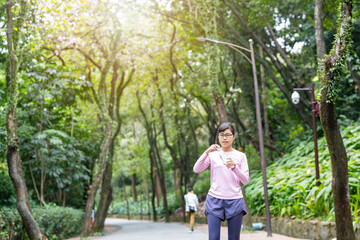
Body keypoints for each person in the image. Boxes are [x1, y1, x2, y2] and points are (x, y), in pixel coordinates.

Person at [193, 122, 249, 240]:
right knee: (213, 238)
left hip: (235, 200)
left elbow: (245, 180)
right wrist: (206, 152)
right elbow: (196, 169)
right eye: (221, 134)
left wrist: (235, 167)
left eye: (228, 135)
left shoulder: (240, 156)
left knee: (234, 238)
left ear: (234, 136)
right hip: (214, 199)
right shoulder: (213, 155)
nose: (224, 138)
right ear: (218, 136)